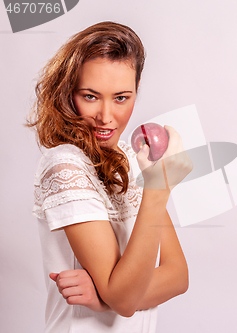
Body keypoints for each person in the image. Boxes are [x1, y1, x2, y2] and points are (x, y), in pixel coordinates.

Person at [27, 21, 193, 333]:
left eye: (121, 98)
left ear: (136, 91)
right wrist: (158, 188)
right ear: (69, 93)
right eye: (91, 96)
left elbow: (178, 275)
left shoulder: (133, 160)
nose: (106, 116)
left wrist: (106, 297)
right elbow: (125, 300)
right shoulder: (65, 166)